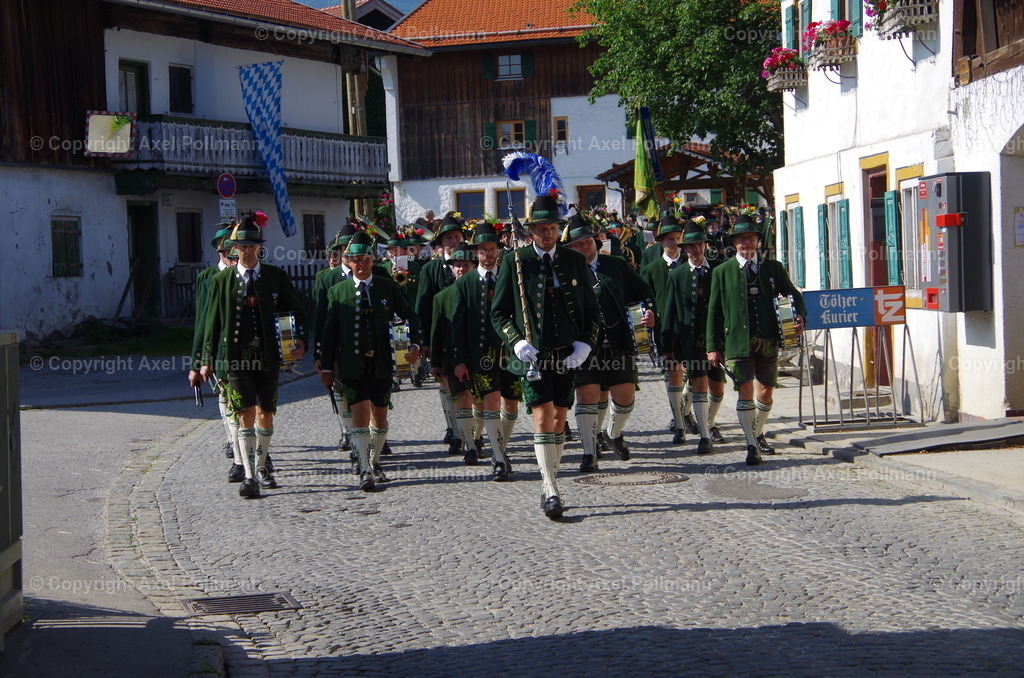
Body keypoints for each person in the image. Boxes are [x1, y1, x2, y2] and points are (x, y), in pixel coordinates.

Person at [490, 194, 601, 519]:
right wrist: (516, 343)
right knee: (542, 417)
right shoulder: (515, 261)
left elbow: (592, 312)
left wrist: (585, 345)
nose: (548, 234)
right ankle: (550, 487)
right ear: (531, 231)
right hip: (533, 357)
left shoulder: (574, 261)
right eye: (542, 229)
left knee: (558, 420)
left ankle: (551, 478)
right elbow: (499, 313)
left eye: (552, 228)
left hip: (567, 354)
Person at [200, 212, 308, 498]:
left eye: (251, 246)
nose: (247, 251)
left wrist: (300, 340)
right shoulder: (220, 281)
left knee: (265, 414)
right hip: (235, 358)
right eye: (242, 246)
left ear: (259, 246)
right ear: (234, 248)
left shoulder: (275, 277)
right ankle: (249, 476)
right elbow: (211, 323)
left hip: (268, 356)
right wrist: (205, 360)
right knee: (244, 413)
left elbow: (296, 310)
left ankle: (261, 467)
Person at [318, 231, 421, 491]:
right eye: (356, 260)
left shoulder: (387, 287)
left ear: (372, 260)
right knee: (360, 415)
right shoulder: (337, 292)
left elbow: (410, 315)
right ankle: (364, 468)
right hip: (352, 366)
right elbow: (329, 333)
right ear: (348, 261)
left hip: (383, 364)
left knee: (380, 417)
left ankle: (374, 461)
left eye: (365, 259)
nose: (361, 264)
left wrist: (415, 345)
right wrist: (326, 367)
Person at [706, 215, 807, 465]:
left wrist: (800, 315)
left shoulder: (773, 268)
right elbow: (714, 312)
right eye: (741, 239)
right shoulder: (721, 271)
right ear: (734, 243)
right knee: (745, 389)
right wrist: (712, 347)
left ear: (758, 241)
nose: (746, 243)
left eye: (750, 238)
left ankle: (758, 432)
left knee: (766, 392)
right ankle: (752, 444)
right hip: (737, 340)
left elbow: (792, 294)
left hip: (768, 338)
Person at [564, 215, 654, 472]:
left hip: (618, 342)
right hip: (583, 346)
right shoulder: (565, 271)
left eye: (587, 241)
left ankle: (611, 433)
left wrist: (649, 312)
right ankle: (589, 451)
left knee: (625, 398)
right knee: (587, 397)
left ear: (596, 241)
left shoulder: (616, 264)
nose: (584, 246)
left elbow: (643, 292)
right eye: (578, 243)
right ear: (570, 247)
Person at [452, 223, 521, 480]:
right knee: (490, 402)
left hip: (511, 352)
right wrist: (459, 361)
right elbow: (457, 326)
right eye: (483, 250)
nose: (488, 254)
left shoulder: (510, 277)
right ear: (476, 253)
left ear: (498, 250)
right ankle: (499, 457)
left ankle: (500, 446)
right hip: (481, 355)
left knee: (511, 405)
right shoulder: (465, 283)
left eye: (492, 249)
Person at [660, 220, 728, 455]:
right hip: (690, 339)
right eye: (691, 246)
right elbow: (669, 311)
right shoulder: (677, 275)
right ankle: (705, 436)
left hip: (716, 338)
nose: (696, 249)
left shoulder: (719, 269)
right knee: (699, 383)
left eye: (699, 244)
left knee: (717, 389)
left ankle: (709, 422)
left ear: (705, 245)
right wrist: (667, 346)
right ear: (684, 249)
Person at [188, 221, 241, 479]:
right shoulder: (207, 277)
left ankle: (244, 444)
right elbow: (202, 318)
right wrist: (197, 359)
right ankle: (231, 438)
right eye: (223, 246)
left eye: (231, 245)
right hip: (216, 342)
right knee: (223, 392)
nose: (227, 251)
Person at [415, 212, 467, 453]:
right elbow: (423, 307)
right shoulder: (431, 269)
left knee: (469, 386)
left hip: (469, 334)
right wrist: (425, 340)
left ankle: (470, 431)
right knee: (446, 383)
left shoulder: (471, 262)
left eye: (457, 236)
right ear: (441, 242)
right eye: (448, 238)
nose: (453, 241)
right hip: (442, 336)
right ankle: (453, 429)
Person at [641, 212, 692, 445]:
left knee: (696, 374)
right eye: (670, 239)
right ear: (661, 241)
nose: (674, 242)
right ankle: (679, 421)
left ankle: (687, 411)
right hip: (665, 329)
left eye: (677, 238)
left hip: (691, 328)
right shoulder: (653, 268)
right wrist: (649, 313)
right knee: (674, 373)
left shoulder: (690, 263)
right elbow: (645, 297)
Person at [429, 242, 483, 464]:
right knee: (462, 398)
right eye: (457, 265)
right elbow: (437, 332)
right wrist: (435, 362)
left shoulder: (484, 291)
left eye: (466, 265)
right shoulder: (442, 297)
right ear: (452, 268)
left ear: (474, 266)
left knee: (480, 402)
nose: (461, 269)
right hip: (453, 357)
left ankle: (477, 436)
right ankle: (469, 444)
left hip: (481, 356)